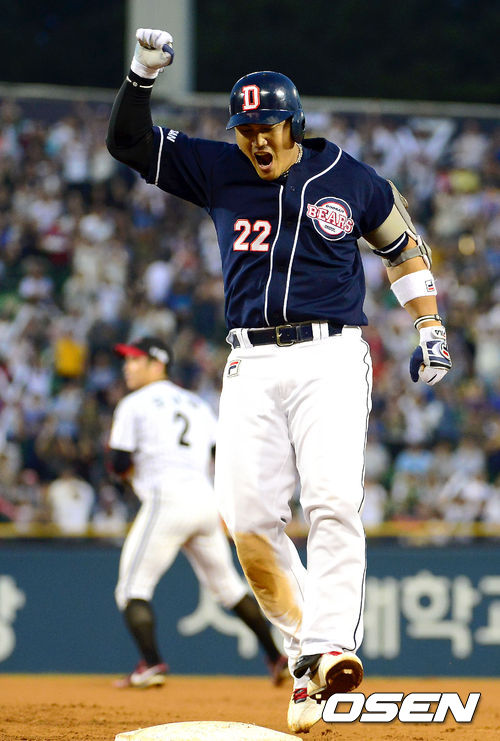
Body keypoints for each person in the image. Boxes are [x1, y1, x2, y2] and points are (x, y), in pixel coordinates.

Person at [107, 29, 452, 731]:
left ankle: (332, 644)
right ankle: (306, 656)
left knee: (331, 500)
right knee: (246, 519)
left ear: (294, 124)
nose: (257, 140)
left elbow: (401, 247)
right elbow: (128, 143)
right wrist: (141, 73)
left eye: (268, 126)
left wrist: (430, 325)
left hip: (331, 355)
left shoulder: (350, 177)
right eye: (246, 129)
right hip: (251, 361)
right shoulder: (219, 168)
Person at [108, 336, 288, 688]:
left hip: (166, 499)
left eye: (135, 360)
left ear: (157, 364)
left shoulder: (133, 403)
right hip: (205, 500)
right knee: (228, 588)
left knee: (131, 589)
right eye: (126, 360)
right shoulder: (196, 404)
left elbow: (117, 462)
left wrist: (131, 471)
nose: (127, 367)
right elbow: (221, 456)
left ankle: (151, 664)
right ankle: (275, 655)